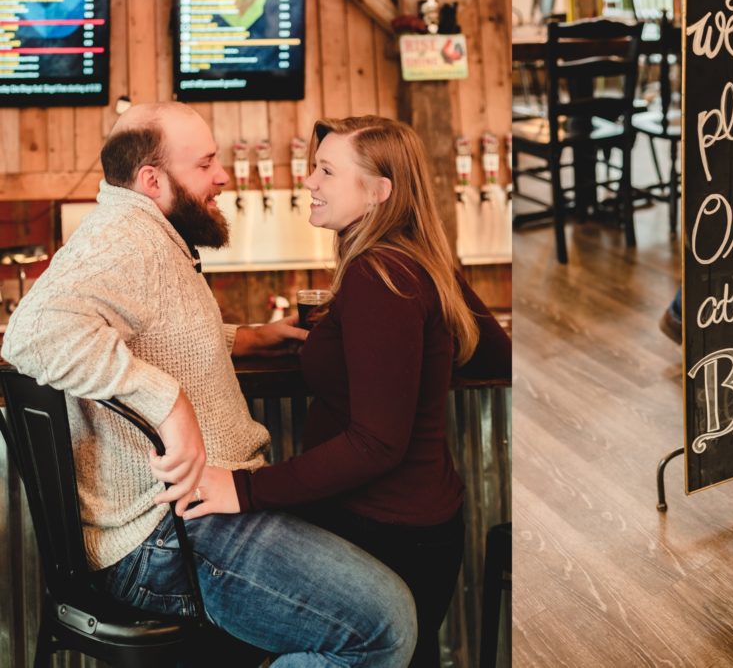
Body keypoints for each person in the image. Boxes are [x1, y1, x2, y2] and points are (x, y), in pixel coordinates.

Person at [1, 102, 416, 667]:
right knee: (383, 629)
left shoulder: (145, 233)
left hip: (183, 517)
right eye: (205, 165)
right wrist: (169, 405)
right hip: (165, 533)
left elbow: (153, 330)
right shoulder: (127, 239)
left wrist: (242, 338)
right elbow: (30, 333)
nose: (222, 177)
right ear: (152, 180)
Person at [182, 116, 512, 668]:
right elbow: (496, 353)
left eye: (326, 171)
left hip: (383, 528)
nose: (310, 181)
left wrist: (245, 489)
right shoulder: (416, 261)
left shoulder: (378, 275)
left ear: (378, 192)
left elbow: (377, 443)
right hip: (421, 525)